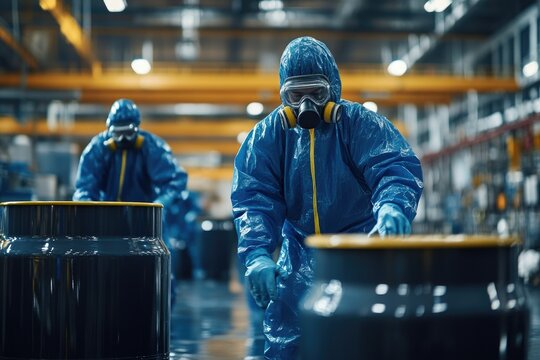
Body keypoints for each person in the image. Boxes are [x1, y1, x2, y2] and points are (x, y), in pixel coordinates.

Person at [231, 36, 423, 360]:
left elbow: (392, 167)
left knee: (368, 340)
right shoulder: (269, 136)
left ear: (332, 87)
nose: (306, 105)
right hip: (298, 253)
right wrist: (258, 254)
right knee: (286, 341)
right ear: (283, 94)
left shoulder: (359, 125)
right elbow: (254, 198)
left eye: (316, 93)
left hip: (358, 251)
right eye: (296, 95)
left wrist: (392, 205)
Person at [73, 98, 188, 304]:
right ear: (109, 129)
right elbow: (84, 187)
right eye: (117, 133)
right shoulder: (97, 149)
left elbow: (175, 180)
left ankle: (159, 309)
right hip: (106, 220)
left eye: (128, 132)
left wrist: (159, 205)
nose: (123, 138)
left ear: (137, 128)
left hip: (145, 219)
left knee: (159, 266)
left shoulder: (152, 147)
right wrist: (89, 210)